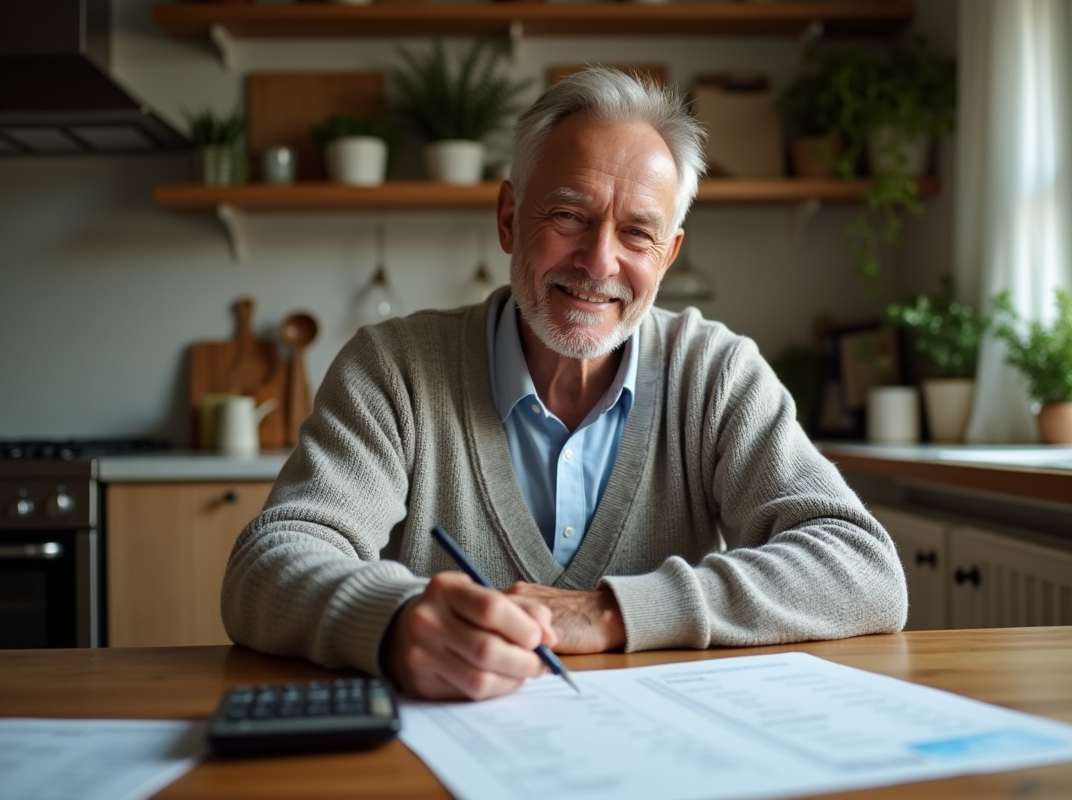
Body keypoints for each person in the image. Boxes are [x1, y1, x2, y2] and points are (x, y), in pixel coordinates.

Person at [222, 68, 907, 702]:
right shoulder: (393, 368)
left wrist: (608, 612)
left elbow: (864, 570)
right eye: (569, 217)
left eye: (637, 233)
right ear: (509, 218)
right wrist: (393, 620)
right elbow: (266, 567)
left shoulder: (715, 372)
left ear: (667, 256)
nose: (598, 262)